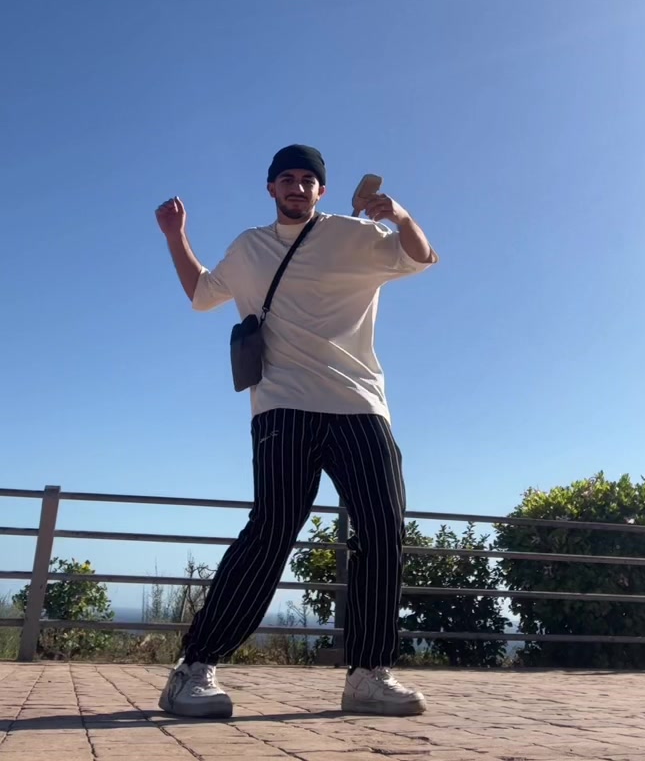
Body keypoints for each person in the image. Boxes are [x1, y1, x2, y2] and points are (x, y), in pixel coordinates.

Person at [154, 143, 438, 718]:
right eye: (286, 178)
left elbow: (421, 257)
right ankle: (194, 668)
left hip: (360, 405)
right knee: (272, 530)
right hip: (282, 407)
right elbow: (203, 294)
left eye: (308, 179)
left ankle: (368, 675)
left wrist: (400, 214)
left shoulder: (354, 235)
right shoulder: (249, 247)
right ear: (271, 188)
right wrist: (175, 235)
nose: (297, 186)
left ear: (321, 190)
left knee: (383, 529)